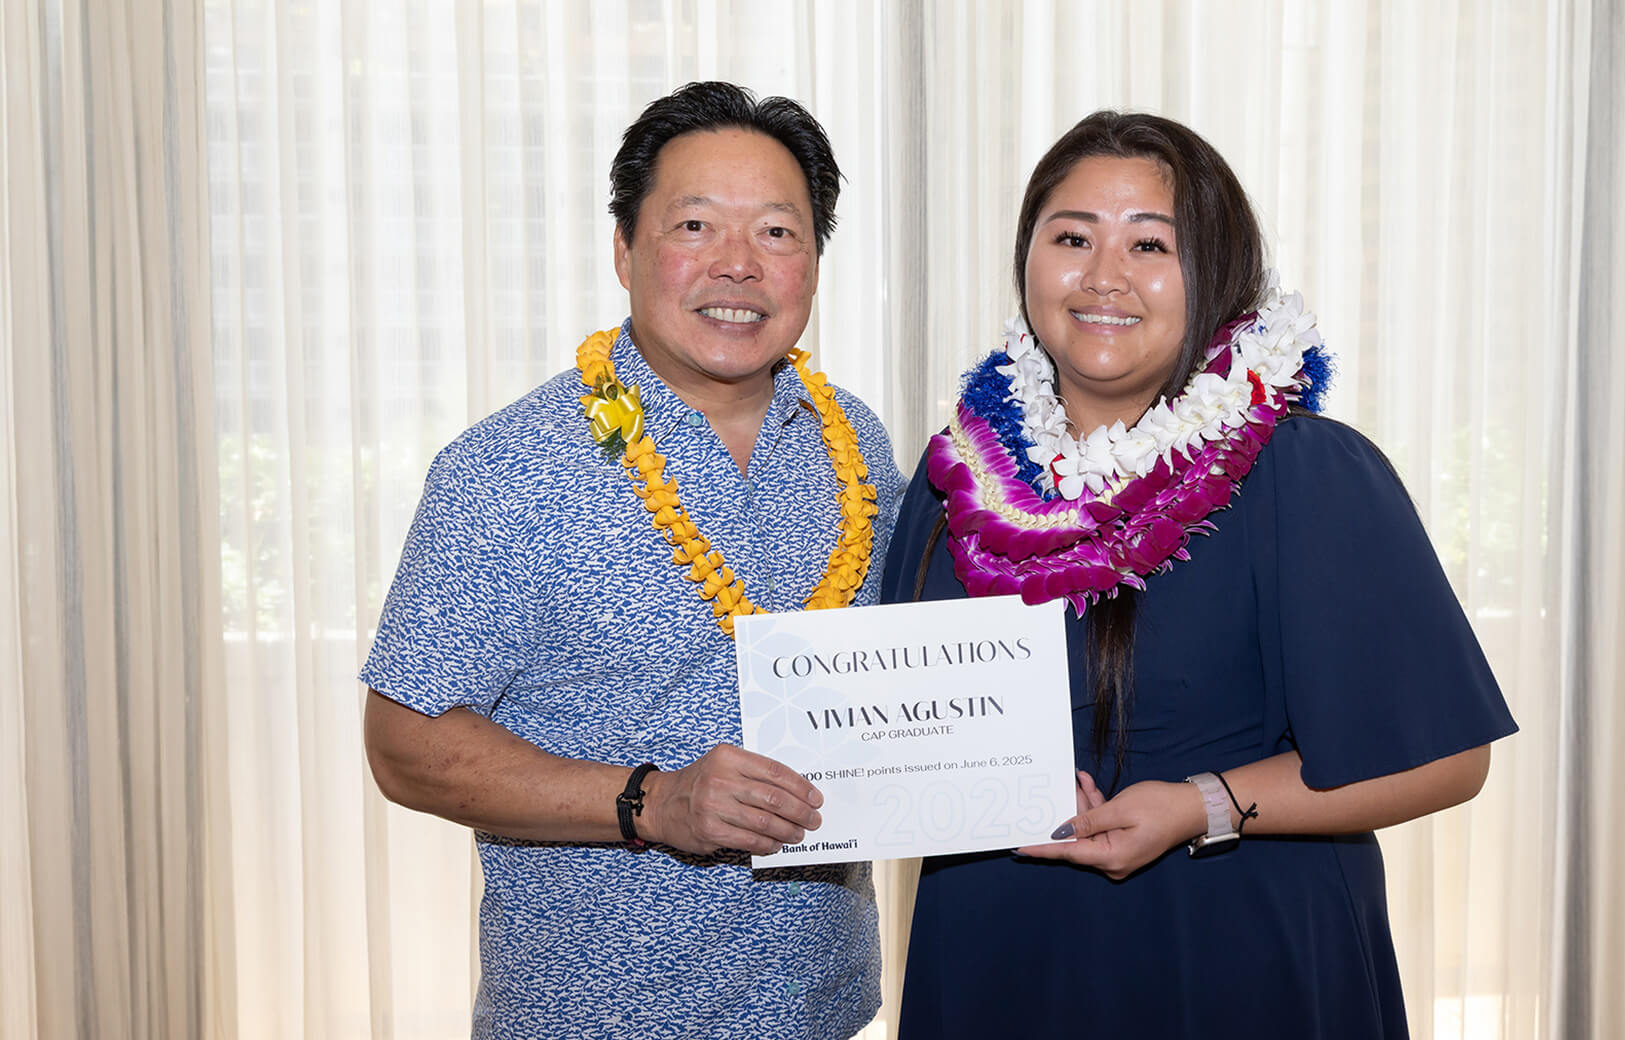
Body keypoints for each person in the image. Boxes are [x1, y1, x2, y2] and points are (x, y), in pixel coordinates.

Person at [883, 111, 1518, 1038]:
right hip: (998, 953)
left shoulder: (1305, 471)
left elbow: (1446, 760)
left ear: (1215, 272)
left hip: (1235, 953)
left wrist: (1199, 806)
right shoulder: (956, 480)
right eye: (1072, 239)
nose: (1104, 276)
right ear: (1028, 262)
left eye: (1150, 245)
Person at [362, 81, 903, 1039]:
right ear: (624, 249)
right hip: (597, 1016)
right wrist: (652, 802)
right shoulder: (507, 468)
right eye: (695, 225)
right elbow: (404, 745)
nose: (737, 264)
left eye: (777, 232)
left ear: (814, 264)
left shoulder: (854, 442)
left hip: (822, 1006)